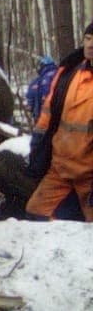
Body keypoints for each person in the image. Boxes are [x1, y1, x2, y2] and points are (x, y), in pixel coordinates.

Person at [24, 25, 93, 222]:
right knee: (35, 212)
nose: (91, 44)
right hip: (60, 168)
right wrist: (37, 148)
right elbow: (47, 115)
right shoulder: (68, 73)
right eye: (87, 38)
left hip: (89, 174)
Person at [26, 55, 58, 123]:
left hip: (44, 115)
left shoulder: (43, 79)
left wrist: (31, 106)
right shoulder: (59, 74)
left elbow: (31, 94)